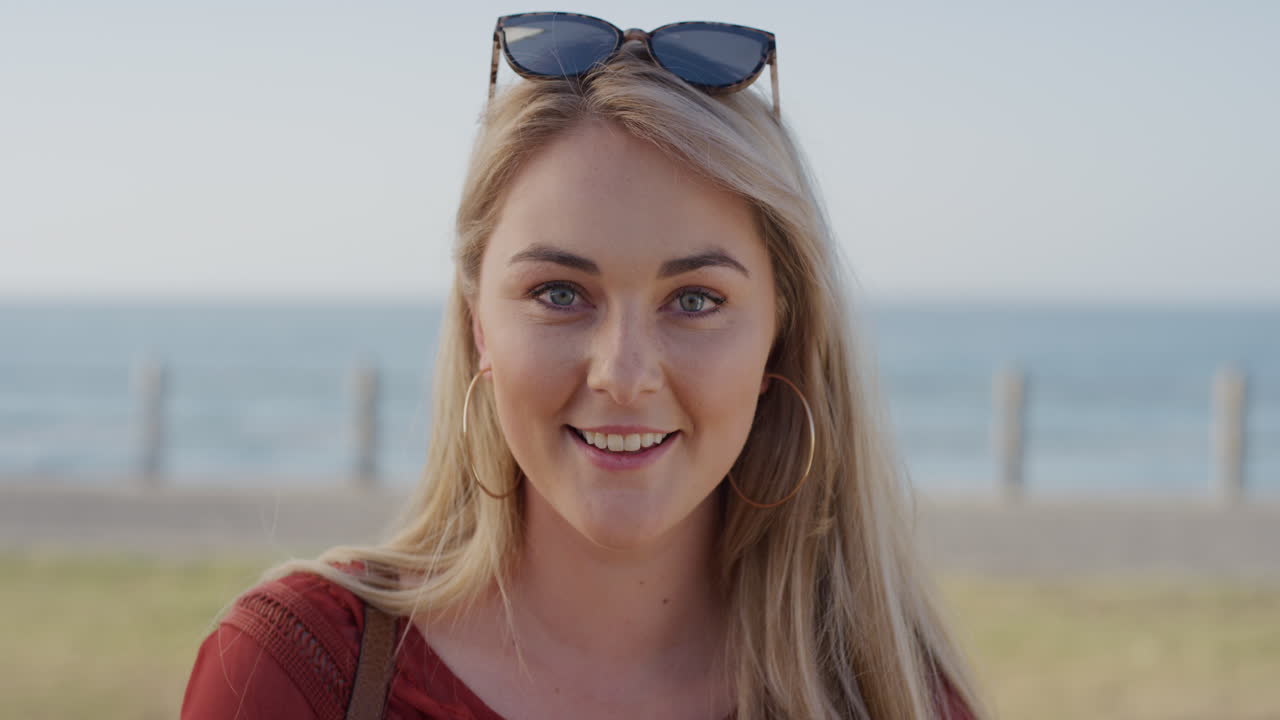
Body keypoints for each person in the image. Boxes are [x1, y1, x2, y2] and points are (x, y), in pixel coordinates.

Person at [182, 13, 985, 720]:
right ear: (479, 324)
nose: (623, 375)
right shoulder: (293, 677)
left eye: (695, 300)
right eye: (560, 293)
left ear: (782, 331)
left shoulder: (898, 701)